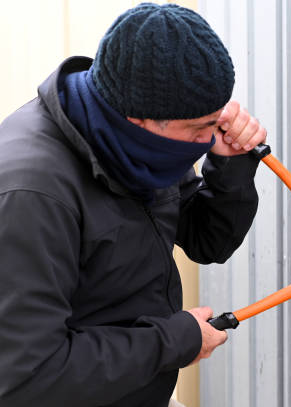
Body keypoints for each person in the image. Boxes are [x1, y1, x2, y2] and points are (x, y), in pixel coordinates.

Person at [0, 3, 265, 406]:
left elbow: (207, 240)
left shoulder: (134, 141)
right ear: (138, 119)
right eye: (201, 128)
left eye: (216, 121)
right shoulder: (32, 194)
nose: (213, 136)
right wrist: (173, 341)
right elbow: (26, 378)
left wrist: (228, 165)